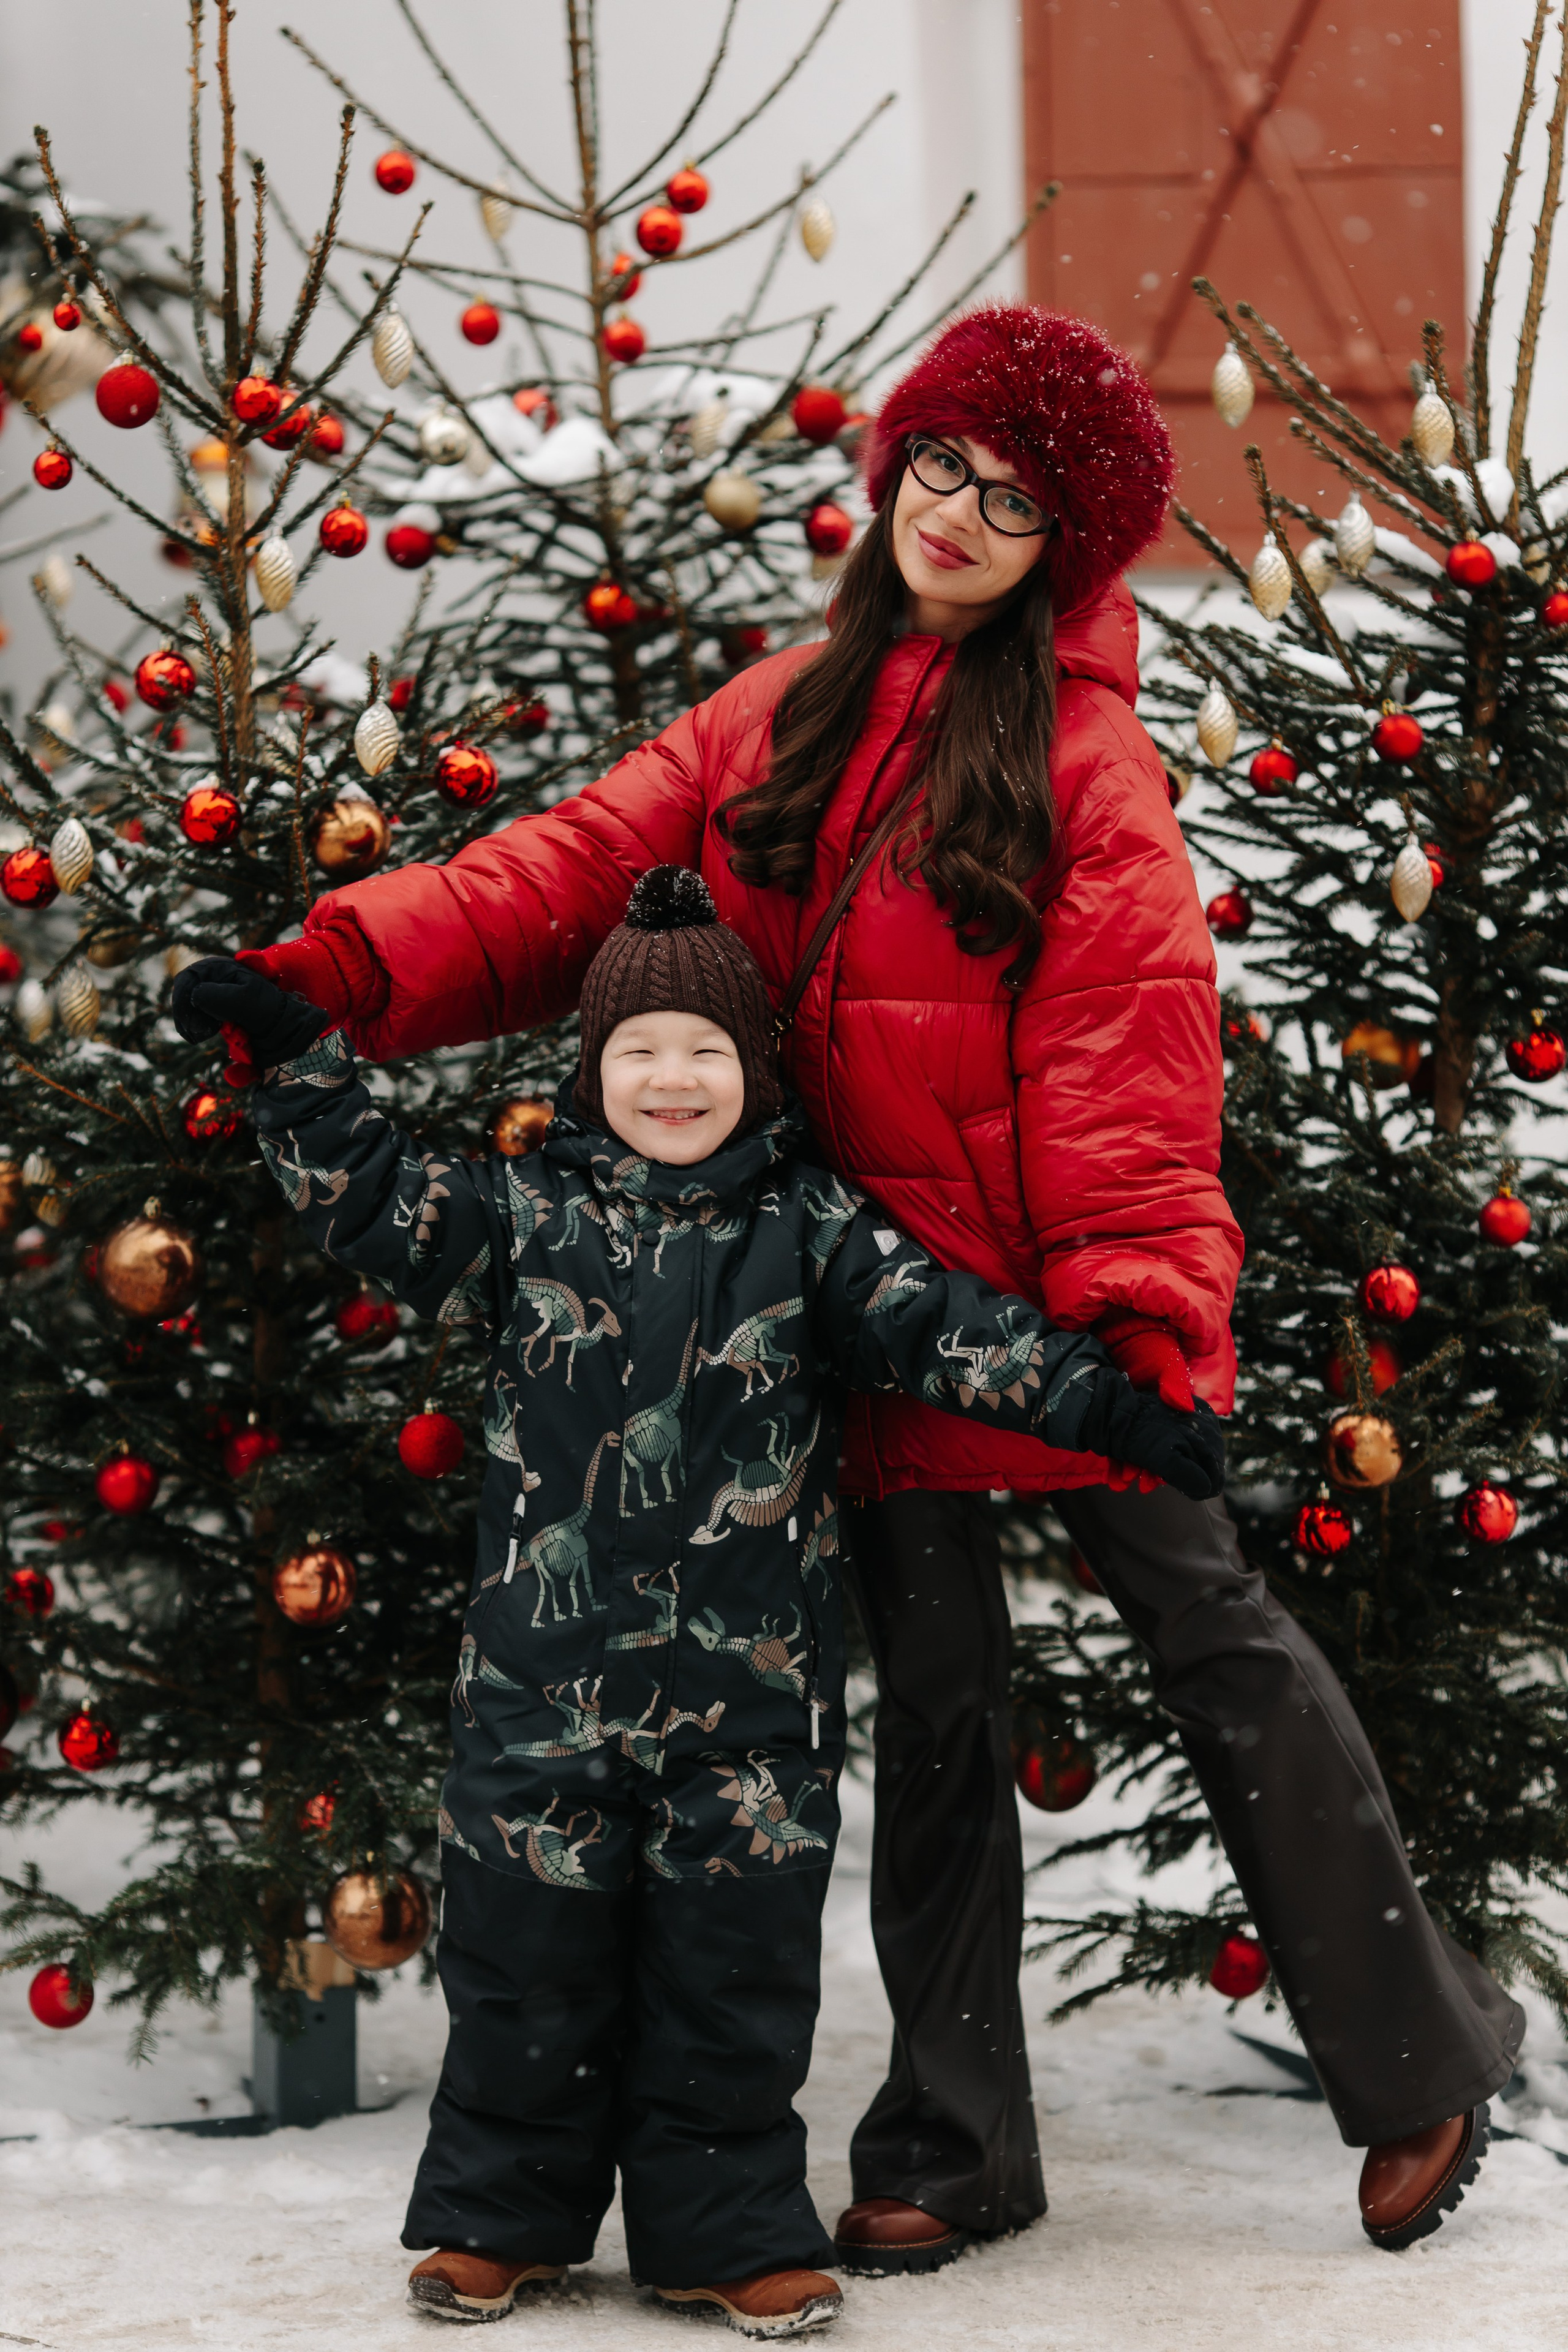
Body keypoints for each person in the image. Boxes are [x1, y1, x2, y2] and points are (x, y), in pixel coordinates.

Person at [234, 303, 1523, 2261]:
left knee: (1222, 1646)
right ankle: (950, 2142)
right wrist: (338, 969)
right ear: (895, 468)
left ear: (1059, 549)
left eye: (1014, 501)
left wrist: (1140, 1315)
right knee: (932, 1715)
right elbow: (569, 877)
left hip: (1053, 1322)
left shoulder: (1087, 760)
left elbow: (1129, 1050)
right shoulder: (782, 711)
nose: (961, 514)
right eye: (944, 466)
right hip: (850, 1303)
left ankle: (1420, 2061)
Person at [174, 869, 1221, 2332]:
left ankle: (720, 2229)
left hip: (750, 1705)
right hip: (539, 1690)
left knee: (731, 1977)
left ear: (753, 1071)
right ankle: (499, 2213)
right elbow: (375, 1198)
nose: (674, 1079)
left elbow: (951, 1333)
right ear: (594, 1070)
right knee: (523, 1967)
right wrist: (291, 1061)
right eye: (641, 1052)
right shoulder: (517, 1211)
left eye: (706, 1053)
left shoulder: (813, 1231)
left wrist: (1112, 1407)